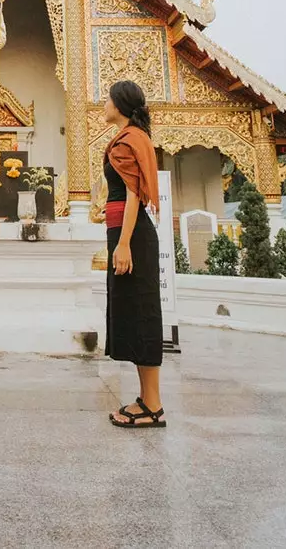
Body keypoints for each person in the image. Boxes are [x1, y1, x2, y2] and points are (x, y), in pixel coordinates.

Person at [102, 79, 165, 428]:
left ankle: (153, 405)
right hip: (125, 232)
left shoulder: (129, 140)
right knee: (135, 311)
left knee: (143, 313)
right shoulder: (128, 137)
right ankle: (146, 399)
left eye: (108, 99)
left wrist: (124, 243)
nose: (104, 104)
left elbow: (131, 196)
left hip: (133, 236)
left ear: (121, 105)